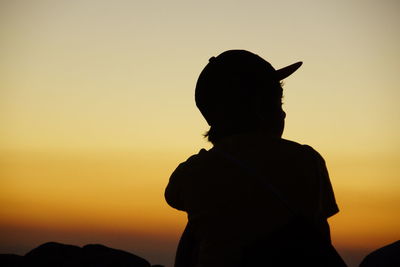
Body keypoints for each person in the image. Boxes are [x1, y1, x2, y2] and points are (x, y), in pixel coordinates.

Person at [165, 50, 346, 267]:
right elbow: (320, 234)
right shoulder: (307, 160)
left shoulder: (192, 172)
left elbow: (173, 197)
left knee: (196, 227)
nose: (284, 114)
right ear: (261, 108)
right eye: (278, 103)